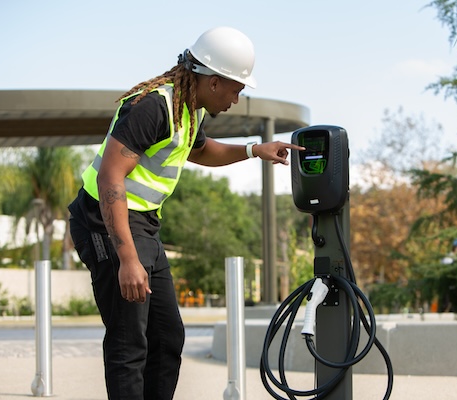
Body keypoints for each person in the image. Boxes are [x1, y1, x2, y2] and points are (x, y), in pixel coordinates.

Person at [68, 26, 303, 400]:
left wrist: (254, 150)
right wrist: (127, 258)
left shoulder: (187, 109)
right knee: (130, 343)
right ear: (212, 82)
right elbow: (111, 176)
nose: (237, 99)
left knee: (166, 336)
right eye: (236, 89)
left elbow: (200, 150)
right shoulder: (152, 106)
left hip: (143, 224)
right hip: (105, 221)